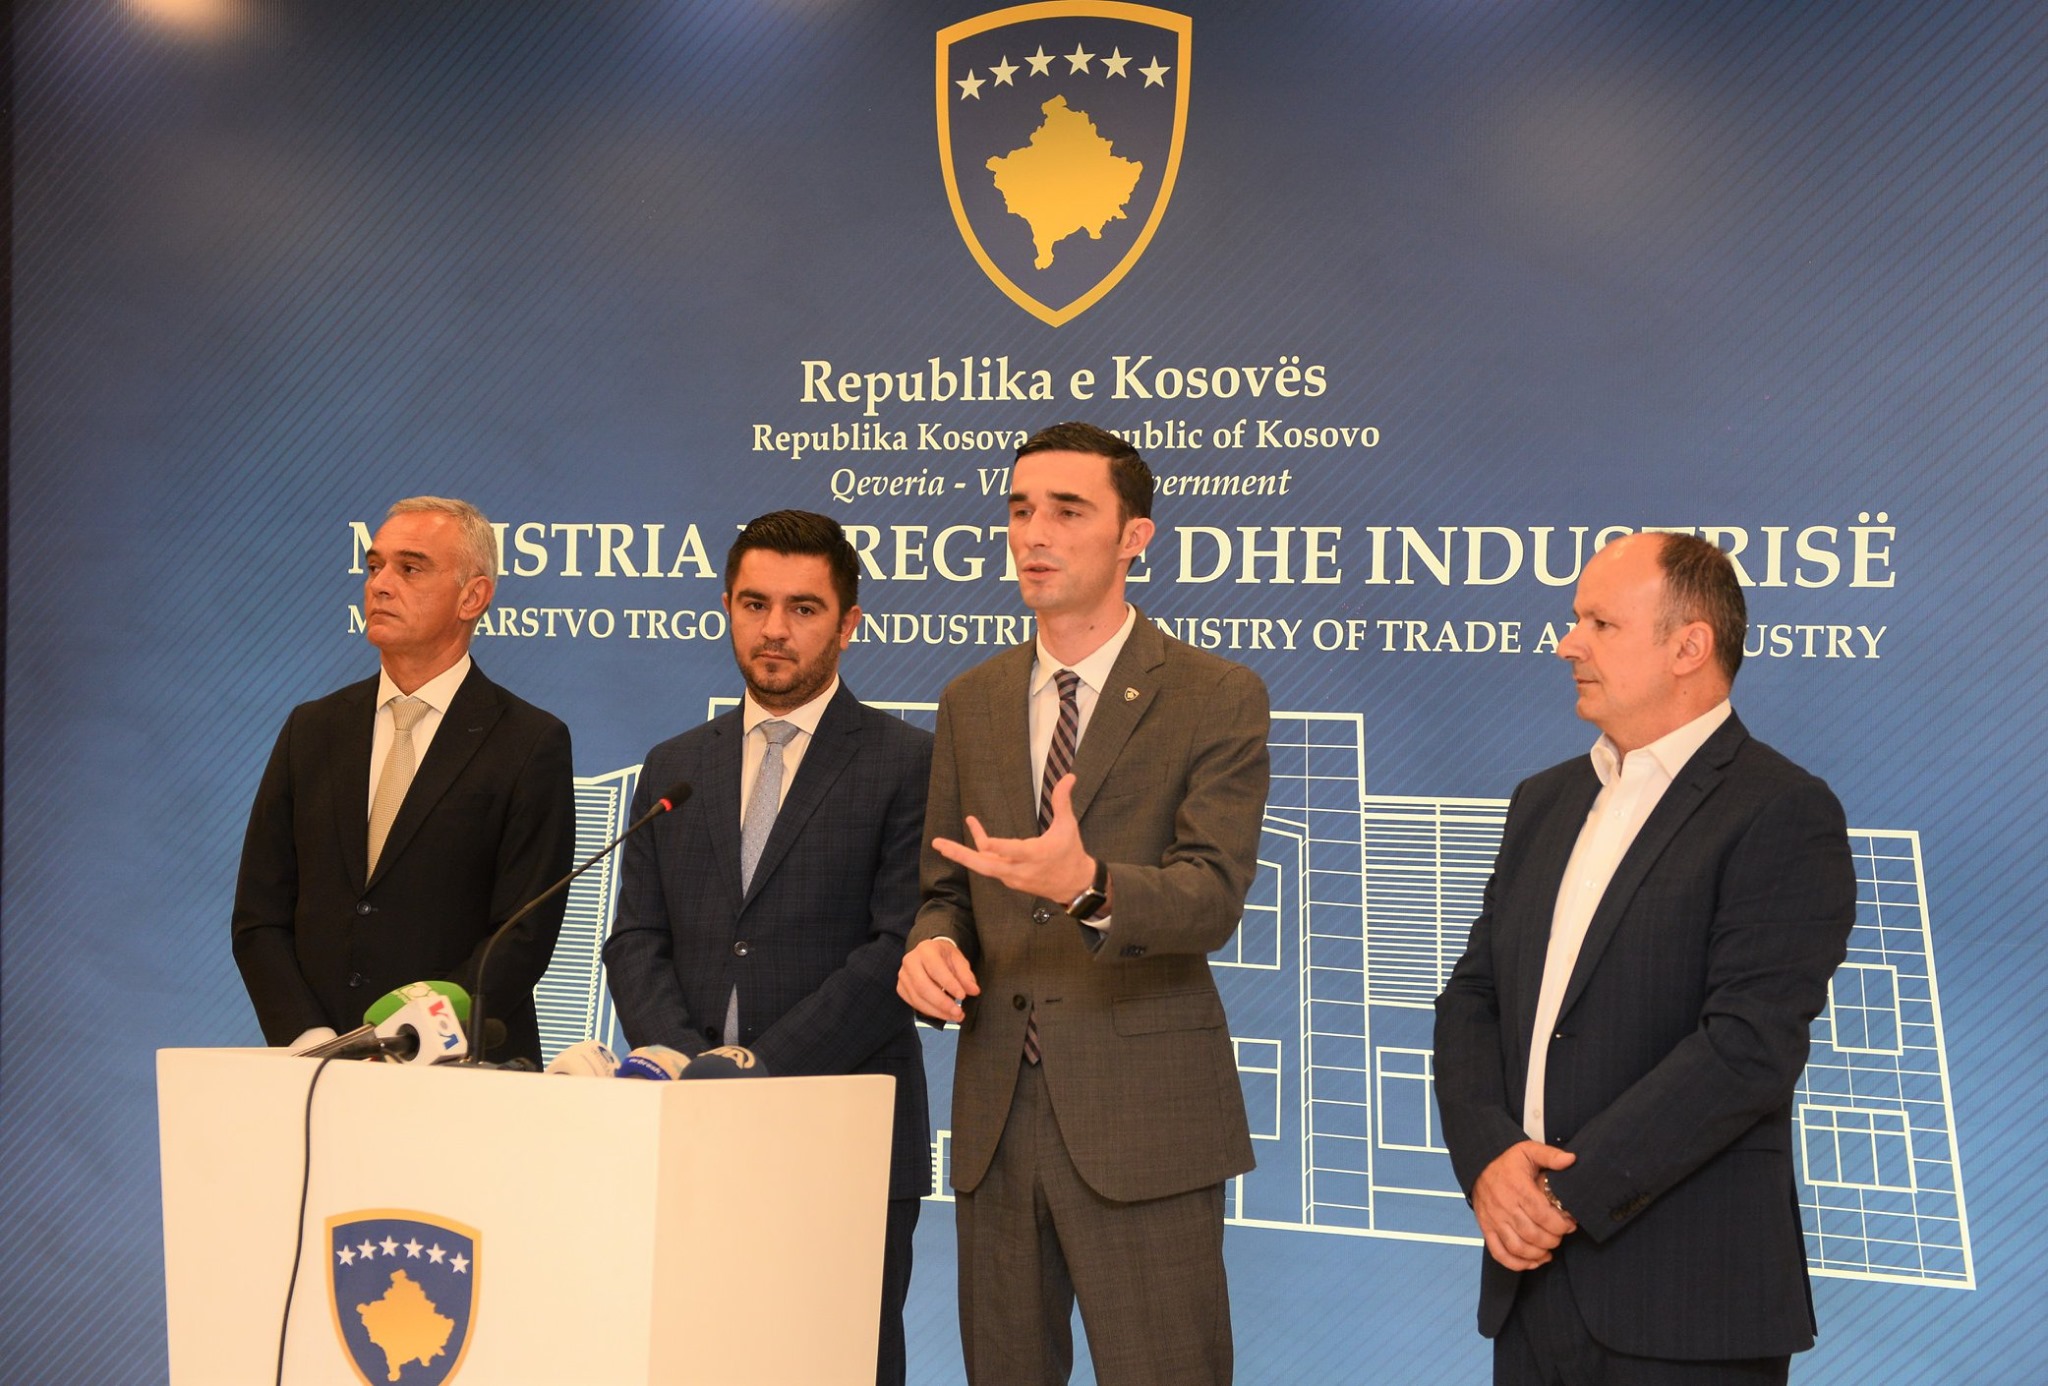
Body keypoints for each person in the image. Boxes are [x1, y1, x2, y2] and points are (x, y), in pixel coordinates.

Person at [1433, 531, 1857, 1384]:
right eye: (1574, 619)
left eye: (1600, 623)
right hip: (1529, 1286)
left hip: (1686, 1303)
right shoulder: (1543, 800)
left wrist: (1561, 1196)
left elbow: (1746, 1048)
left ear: (1689, 646)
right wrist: (1488, 1161)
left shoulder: (1781, 809)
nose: (1567, 644)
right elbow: (1473, 998)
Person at [897, 422, 1270, 1386]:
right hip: (996, 1117)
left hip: (1145, 1118)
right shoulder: (970, 700)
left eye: (1068, 511)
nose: (1034, 534)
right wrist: (930, 947)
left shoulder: (1215, 694)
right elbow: (945, 890)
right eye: (1021, 510)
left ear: (1134, 537)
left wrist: (1087, 886)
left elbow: (1212, 897)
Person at [603, 510, 932, 1386]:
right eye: (754, 604)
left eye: (803, 608)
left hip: (842, 1132)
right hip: (683, 1133)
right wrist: (687, 1066)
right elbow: (636, 938)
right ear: (727, 607)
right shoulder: (675, 764)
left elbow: (896, 949)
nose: (774, 628)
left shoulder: (908, 762)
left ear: (849, 624)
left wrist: (754, 1070)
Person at [232, 496, 576, 1066]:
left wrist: (407, 1041)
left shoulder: (529, 742)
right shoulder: (311, 729)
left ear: (473, 597)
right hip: (319, 1075)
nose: (380, 585)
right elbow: (259, 916)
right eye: (374, 567)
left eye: (410, 568)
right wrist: (313, 1041)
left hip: (464, 1076)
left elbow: (522, 935)